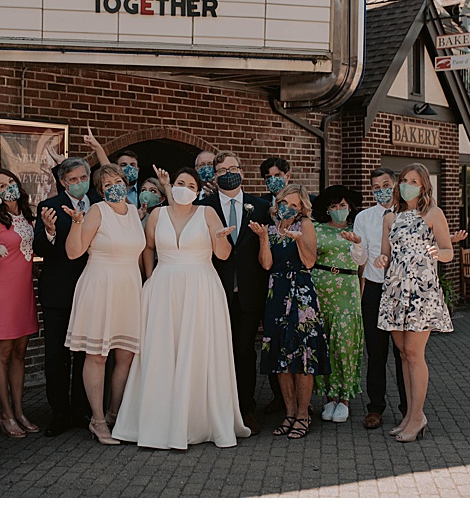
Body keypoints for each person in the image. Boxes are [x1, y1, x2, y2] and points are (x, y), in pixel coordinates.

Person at [112, 167, 250, 449]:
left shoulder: (208, 214)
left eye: (189, 184)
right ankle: (157, 421)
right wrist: (150, 278)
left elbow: (222, 255)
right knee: (160, 351)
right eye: (179, 182)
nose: (183, 187)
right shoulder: (157, 215)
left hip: (201, 287)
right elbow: (147, 247)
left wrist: (221, 237)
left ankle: (196, 421)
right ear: (171, 186)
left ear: (198, 191)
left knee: (197, 350)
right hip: (162, 288)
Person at [375, 163, 461, 443]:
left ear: (424, 186)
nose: (407, 184)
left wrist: (440, 252)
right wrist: (380, 260)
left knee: (414, 353)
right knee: (401, 353)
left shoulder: (433, 213)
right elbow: (385, 255)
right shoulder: (390, 217)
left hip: (421, 291)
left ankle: (417, 416)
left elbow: (448, 251)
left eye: (413, 180)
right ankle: (411, 416)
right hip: (396, 291)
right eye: (404, 180)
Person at [62, 164, 145, 445]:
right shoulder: (98, 211)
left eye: (118, 181)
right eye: (107, 184)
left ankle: (114, 413)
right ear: (100, 190)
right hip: (100, 285)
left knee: (126, 355)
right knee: (97, 355)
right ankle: (97, 421)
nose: (114, 187)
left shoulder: (135, 212)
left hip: (129, 288)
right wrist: (76, 223)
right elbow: (74, 253)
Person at [200, 151, 272, 433]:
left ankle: (245, 409)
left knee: (244, 352)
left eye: (233, 168)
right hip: (215, 291)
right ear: (214, 176)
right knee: (215, 353)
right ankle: (216, 409)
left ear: (242, 171)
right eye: (221, 169)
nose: (228, 173)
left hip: (249, 293)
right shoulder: (204, 207)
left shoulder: (262, 206)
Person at [251, 183, 325, 440]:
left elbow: (310, 262)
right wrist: (263, 238)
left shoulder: (304, 226)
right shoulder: (271, 229)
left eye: (295, 205)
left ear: (302, 207)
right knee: (280, 357)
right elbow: (266, 264)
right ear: (277, 203)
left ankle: (304, 414)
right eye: (285, 203)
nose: (289, 208)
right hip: (276, 293)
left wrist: (299, 240)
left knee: (302, 356)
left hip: (301, 294)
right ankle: (289, 412)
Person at [35, 157, 99, 436]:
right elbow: (39, 247)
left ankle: (82, 410)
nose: (79, 183)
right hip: (58, 290)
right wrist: (49, 232)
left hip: (92, 288)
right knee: (57, 355)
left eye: (82, 177)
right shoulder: (47, 207)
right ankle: (59, 413)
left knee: (86, 352)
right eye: (72, 179)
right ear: (62, 182)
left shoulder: (99, 204)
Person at [0, 169, 40, 437]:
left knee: (20, 353)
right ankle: (5, 415)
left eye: (11, 182)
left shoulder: (27, 215)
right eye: (2, 185)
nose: (8, 187)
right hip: (3, 293)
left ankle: (19, 411)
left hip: (24, 292)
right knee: (2, 354)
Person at [310, 186, 368, 424]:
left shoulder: (357, 230)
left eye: (342, 206)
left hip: (347, 290)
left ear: (350, 207)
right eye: (333, 207)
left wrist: (361, 296)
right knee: (324, 344)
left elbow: (362, 264)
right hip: (321, 290)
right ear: (326, 209)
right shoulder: (316, 229)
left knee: (344, 343)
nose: (338, 210)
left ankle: (344, 398)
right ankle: (329, 397)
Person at [355, 168, 407, 430]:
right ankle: (375, 408)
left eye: (386, 184)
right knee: (376, 353)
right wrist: (355, 247)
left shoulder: (409, 213)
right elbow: (360, 259)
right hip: (375, 290)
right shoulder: (364, 218)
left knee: (403, 353)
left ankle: (408, 408)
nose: (381, 189)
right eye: (376, 186)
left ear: (395, 184)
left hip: (402, 292)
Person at [83, 128, 142, 207]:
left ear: (138, 169)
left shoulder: (145, 187)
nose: (129, 168)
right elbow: (109, 169)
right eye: (124, 165)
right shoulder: (108, 191)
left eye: (132, 165)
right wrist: (97, 148)